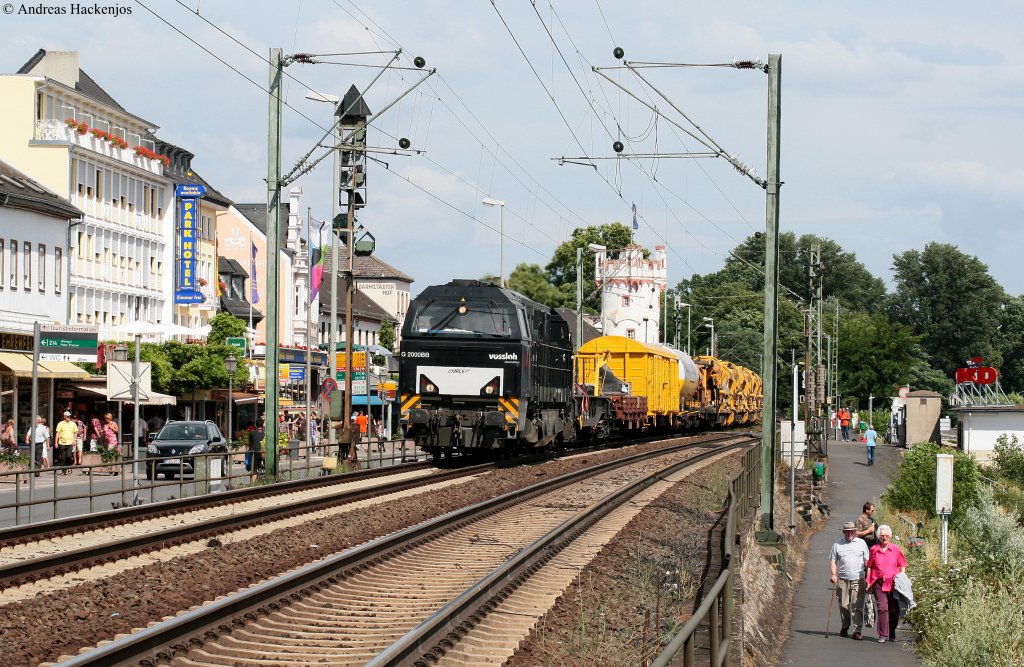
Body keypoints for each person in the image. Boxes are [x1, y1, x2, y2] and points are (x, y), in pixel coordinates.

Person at [866, 524, 908, 643]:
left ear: (890, 536)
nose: (884, 537)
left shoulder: (896, 549)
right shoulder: (874, 549)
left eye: (886, 535)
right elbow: (869, 566)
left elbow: (902, 565)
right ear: (879, 536)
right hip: (878, 583)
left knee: (894, 610)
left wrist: (902, 577)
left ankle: (892, 631)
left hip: (893, 584)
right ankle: (883, 634)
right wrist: (868, 582)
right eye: (882, 535)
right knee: (883, 607)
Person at [829, 520, 870, 640]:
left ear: (856, 531)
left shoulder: (862, 543)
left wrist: (869, 577)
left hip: (858, 579)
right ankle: (845, 626)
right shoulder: (837, 545)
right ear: (843, 532)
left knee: (857, 605)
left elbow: (868, 562)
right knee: (843, 605)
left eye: (852, 531)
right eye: (847, 531)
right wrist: (833, 575)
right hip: (842, 579)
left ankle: (857, 630)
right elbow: (833, 561)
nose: (850, 533)